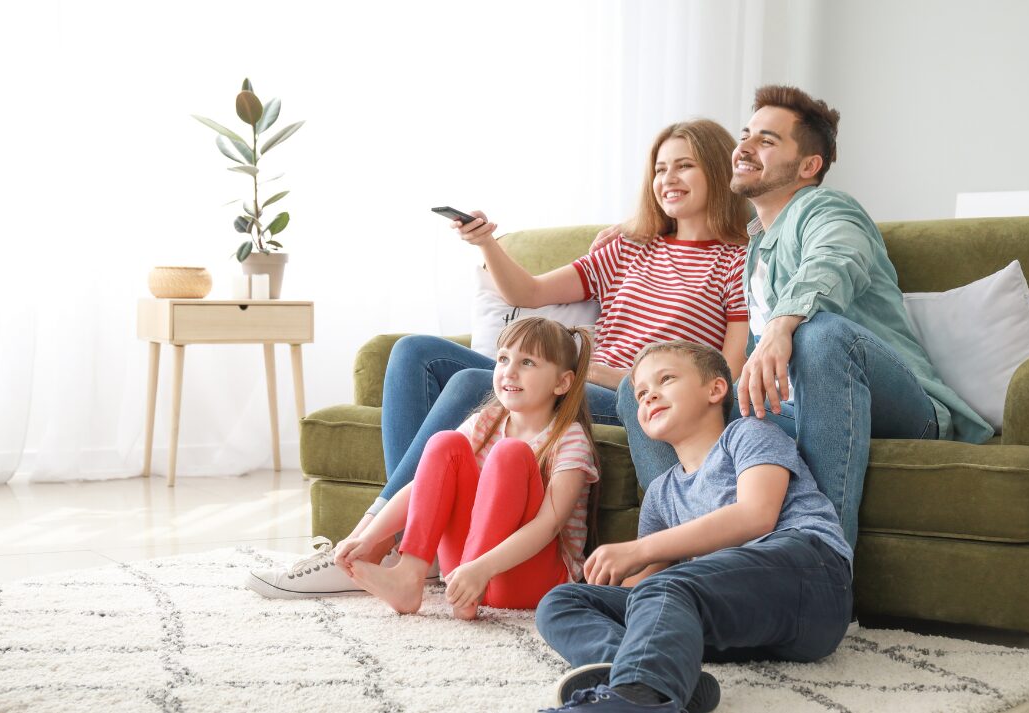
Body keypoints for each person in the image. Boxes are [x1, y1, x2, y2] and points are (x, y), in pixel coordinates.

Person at [343, 118, 751, 569]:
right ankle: (394, 534)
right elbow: (529, 295)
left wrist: (611, 375)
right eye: (659, 169)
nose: (668, 179)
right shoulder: (629, 248)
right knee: (414, 353)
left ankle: (374, 543)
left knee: (469, 384)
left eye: (684, 166)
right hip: (578, 377)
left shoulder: (737, 262)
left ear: (716, 170)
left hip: (625, 393)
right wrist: (486, 243)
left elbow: (725, 376)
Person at [615, 86, 993, 550]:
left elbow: (836, 260)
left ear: (809, 166)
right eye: (746, 135)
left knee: (821, 335)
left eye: (768, 141)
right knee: (644, 394)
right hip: (792, 411)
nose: (746, 148)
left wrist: (781, 325)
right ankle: (687, 559)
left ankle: (823, 566)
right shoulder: (756, 247)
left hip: (895, 405)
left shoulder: (828, 209)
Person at [535, 340, 852, 712]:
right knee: (561, 600)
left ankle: (635, 698)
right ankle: (655, 681)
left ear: (716, 390)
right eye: (640, 393)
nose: (649, 396)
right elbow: (643, 595)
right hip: (738, 627)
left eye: (665, 379)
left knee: (672, 584)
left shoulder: (747, 435)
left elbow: (756, 515)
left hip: (811, 582)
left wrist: (638, 550)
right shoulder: (660, 492)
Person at [323, 316, 600, 618]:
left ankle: (471, 583)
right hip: (464, 574)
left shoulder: (569, 437)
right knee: (445, 443)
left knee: (510, 454)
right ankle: (409, 576)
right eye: (503, 359)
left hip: (528, 579)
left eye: (528, 363)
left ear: (562, 382)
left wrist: (481, 568)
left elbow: (549, 526)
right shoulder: (487, 420)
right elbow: (424, 486)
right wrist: (369, 537)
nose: (509, 371)